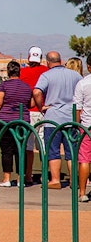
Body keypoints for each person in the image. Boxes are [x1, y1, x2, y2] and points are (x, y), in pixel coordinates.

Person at [33, 50, 82, 189]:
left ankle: (55, 180)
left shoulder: (46, 75)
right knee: (71, 150)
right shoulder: (75, 75)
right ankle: (74, 180)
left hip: (53, 117)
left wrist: (41, 106)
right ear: (60, 60)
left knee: (53, 149)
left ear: (48, 62)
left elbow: (36, 91)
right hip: (71, 117)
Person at [0, 60, 35, 187]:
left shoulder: (4, 85)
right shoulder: (26, 87)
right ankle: (21, 179)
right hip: (22, 121)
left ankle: (7, 178)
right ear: (19, 72)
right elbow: (30, 103)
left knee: (6, 150)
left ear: (8, 72)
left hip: (6, 121)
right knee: (21, 150)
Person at [20, 45, 49, 184]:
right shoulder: (47, 71)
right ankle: (45, 175)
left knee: (28, 147)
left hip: (28, 113)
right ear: (41, 58)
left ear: (28, 57)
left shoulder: (22, 72)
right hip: (44, 111)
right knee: (43, 146)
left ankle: (28, 175)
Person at [71, 52, 91, 202]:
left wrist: (76, 126)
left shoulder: (83, 83)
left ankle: (82, 192)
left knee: (84, 159)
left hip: (86, 125)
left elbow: (77, 108)